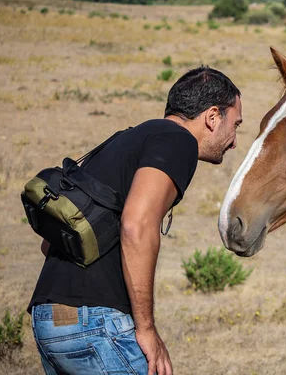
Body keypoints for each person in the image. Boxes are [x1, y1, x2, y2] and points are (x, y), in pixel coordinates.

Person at [28, 66, 243, 375]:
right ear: (212, 117)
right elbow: (137, 226)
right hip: (96, 325)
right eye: (235, 124)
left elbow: (50, 244)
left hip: (48, 318)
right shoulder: (178, 141)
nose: (234, 140)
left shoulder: (124, 140)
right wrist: (146, 329)